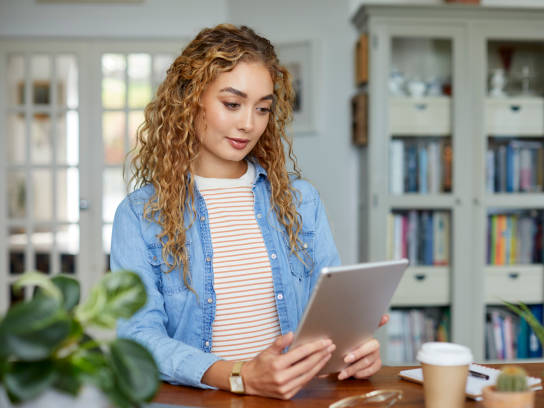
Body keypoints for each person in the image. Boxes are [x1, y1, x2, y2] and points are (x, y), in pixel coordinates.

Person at [110, 24, 386, 400]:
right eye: (232, 104)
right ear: (189, 100)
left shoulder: (300, 201)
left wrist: (353, 348)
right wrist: (240, 376)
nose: (249, 124)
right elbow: (138, 337)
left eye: (262, 109)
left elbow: (325, 316)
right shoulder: (140, 215)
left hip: (296, 398)